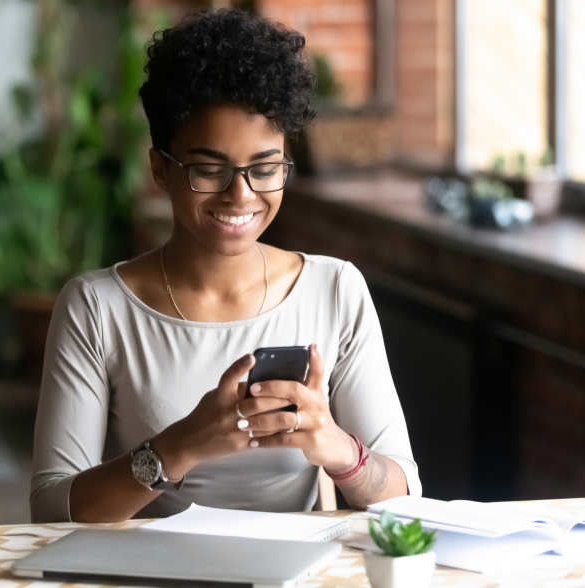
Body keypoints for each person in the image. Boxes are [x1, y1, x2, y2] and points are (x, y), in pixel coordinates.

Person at [31, 8, 421, 524]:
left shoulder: (335, 290)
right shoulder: (97, 309)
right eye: (210, 169)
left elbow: (405, 500)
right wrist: (177, 448)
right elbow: (51, 510)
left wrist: (339, 450)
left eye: (264, 168)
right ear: (159, 169)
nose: (241, 195)